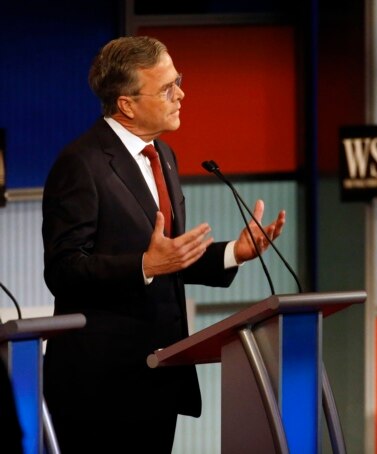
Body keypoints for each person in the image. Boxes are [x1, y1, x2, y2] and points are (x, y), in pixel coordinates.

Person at [41, 35, 286, 453]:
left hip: (159, 374)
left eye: (179, 80)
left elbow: (168, 255)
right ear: (127, 104)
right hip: (101, 388)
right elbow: (63, 270)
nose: (182, 93)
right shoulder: (81, 164)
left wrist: (233, 253)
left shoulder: (164, 155)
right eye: (168, 87)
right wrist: (144, 266)